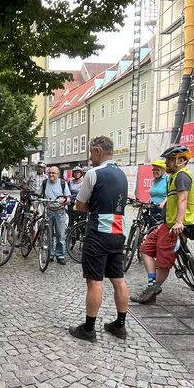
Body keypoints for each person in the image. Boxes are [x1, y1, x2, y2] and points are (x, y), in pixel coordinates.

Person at [69, 136, 129, 342]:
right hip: (118, 232)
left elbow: (79, 205)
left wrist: (92, 206)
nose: (90, 157)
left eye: (91, 153)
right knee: (118, 279)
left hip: (98, 232)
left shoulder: (94, 173)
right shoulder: (122, 174)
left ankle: (88, 329)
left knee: (94, 282)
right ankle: (120, 326)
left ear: (97, 151)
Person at [132, 145, 194, 304]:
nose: (166, 163)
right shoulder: (174, 176)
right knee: (145, 249)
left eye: (170, 159)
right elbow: (173, 199)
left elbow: (183, 199)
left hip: (178, 226)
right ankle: (152, 285)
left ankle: (151, 291)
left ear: (181, 160)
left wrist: (179, 222)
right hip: (167, 224)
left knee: (163, 264)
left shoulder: (182, 175)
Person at [42, 165, 71, 265]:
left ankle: (60, 255)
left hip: (60, 212)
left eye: (53, 173)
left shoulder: (63, 183)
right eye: (49, 173)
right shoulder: (45, 183)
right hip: (48, 211)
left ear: (58, 174)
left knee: (60, 235)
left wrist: (64, 201)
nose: (51, 175)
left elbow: (68, 199)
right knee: (48, 234)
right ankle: (50, 254)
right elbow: (40, 195)